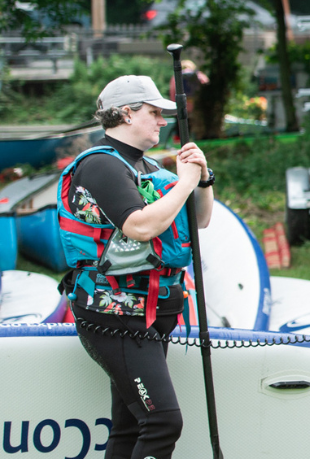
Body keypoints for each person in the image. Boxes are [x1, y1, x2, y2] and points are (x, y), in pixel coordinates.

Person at [58, 75, 216, 459]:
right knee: (163, 422)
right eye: (154, 112)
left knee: (130, 425)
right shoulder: (100, 166)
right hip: (114, 315)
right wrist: (184, 183)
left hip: (150, 311)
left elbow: (200, 220)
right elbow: (140, 225)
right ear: (126, 114)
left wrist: (203, 179)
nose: (162, 120)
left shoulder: (145, 166)